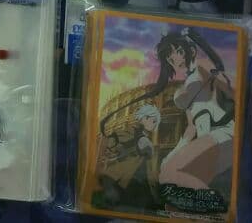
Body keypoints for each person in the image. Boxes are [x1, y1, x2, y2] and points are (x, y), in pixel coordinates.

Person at [99, 27, 234, 214]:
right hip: (209, 141)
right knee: (168, 183)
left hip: (223, 135)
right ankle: (196, 210)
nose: (175, 60)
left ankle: (216, 207)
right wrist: (171, 155)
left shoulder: (203, 72)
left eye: (178, 52)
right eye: (170, 58)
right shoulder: (188, 85)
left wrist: (194, 36)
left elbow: (214, 75)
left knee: (171, 172)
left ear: (191, 51)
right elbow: (191, 128)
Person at [99, 104, 162, 210]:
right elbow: (115, 144)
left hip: (140, 178)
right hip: (127, 177)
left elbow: (148, 156)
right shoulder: (131, 132)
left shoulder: (144, 137)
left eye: (156, 122)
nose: (154, 125)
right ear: (145, 118)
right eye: (153, 121)